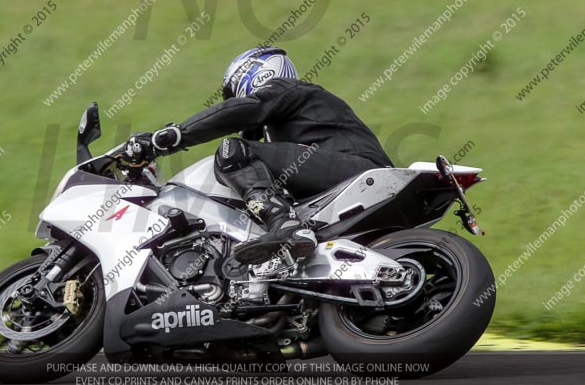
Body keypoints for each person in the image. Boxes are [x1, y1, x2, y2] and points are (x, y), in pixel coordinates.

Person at [124, 47, 393, 265]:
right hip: (349, 187)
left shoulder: (289, 89)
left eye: (232, 93)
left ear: (252, 73)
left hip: (358, 170)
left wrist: (170, 137)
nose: (232, 99)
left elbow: (246, 109)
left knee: (232, 151)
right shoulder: (287, 129)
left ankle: (285, 224)